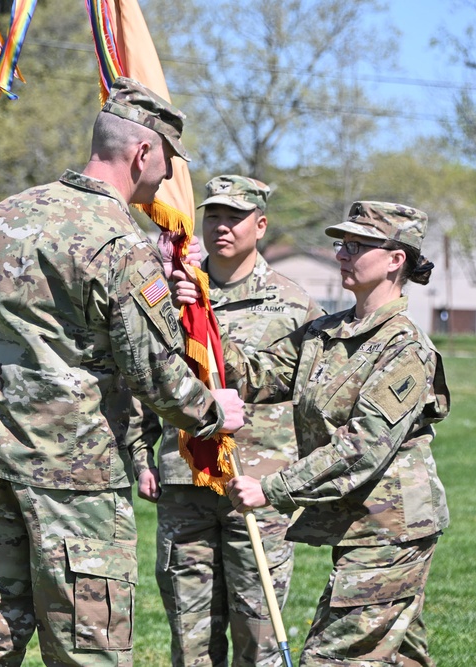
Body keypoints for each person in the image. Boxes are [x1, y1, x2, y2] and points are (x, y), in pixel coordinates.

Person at [0, 76, 245, 667]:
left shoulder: (3, 218)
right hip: (75, 476)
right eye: (166, 162)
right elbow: (152, 369)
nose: (166, 178)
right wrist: (212, 411)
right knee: (89, 651)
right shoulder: (119, 243)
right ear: (142, 153)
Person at [202, 201, 450, 666]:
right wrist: (195, 317)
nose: (342, 254)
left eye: (358, 246)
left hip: (389, 529)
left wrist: (272, 489)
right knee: (400, 656)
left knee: (333, 656)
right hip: (355, 524)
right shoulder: (323, 333)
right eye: (342, 244)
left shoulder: (406, 347)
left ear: (397, 259)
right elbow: (253, 373)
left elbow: (362, 447)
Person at [132, 175, 324, 667]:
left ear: (260, 225)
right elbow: (145, 373)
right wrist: (140, 452)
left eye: (234, 217)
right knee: (190, 638)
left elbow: (312, 395)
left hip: (256, 485)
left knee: (259, 632)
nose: (221, 226)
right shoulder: (172, 294)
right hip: (186, 478)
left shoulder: (294, 305)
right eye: (213, 215)